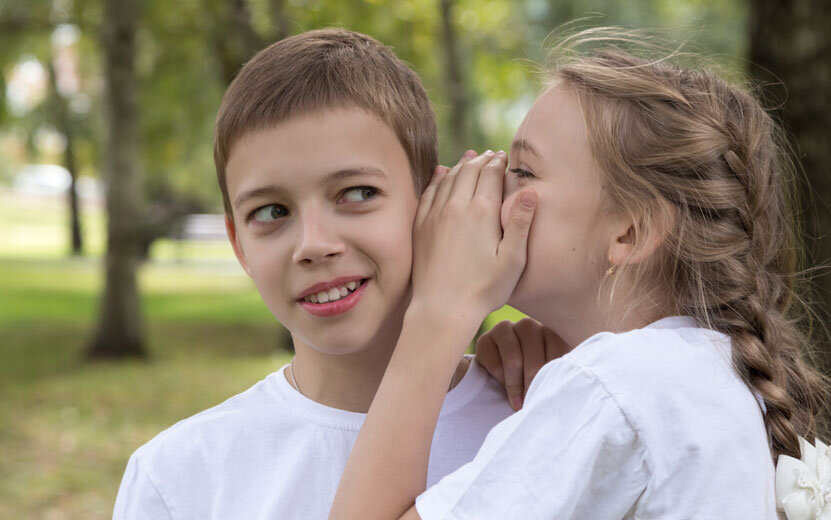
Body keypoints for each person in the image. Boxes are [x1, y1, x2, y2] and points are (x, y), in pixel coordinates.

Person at [330, 28, 829, 519]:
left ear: (630, 233)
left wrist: (439, 312)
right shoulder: (703, 372)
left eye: (523, 171)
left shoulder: (612, 389)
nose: (490, 182)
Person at [112, 28, 543, 519]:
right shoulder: (178, 478)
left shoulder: (540, 416)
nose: (314, 244)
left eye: (357, 194)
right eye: (272, 211)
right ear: (240, 246)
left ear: (431, 204)